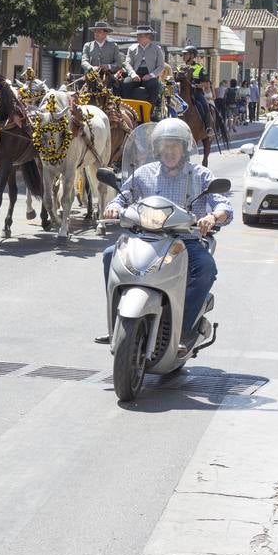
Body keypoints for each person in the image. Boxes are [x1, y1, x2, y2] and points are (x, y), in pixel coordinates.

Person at [95, 118, 231, 352]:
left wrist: (212, 217)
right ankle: (117, 323)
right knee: (110, 255)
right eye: (165, 146)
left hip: (185, 241)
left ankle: (184, 329)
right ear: (157, 148)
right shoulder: (143, 174)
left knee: (206, 268)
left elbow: (223, 205)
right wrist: (113, 207)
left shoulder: (199, 175)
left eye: (174, 146)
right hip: (145, 239)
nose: (169, 151)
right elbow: (122, 197)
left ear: (184, 148)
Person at [121, 25, 166, 110]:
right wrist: (133, 74)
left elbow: (161, 66)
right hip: (136, 74)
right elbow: (127, 63)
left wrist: (151, 75)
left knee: (154, 86)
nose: (138, 37)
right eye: (137, 35)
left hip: (150, 75)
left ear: (148, 36)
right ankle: (128, 110)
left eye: (140, 36)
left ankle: (149, 111)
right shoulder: (132, 48)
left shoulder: (157, 49)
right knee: (126, 83)